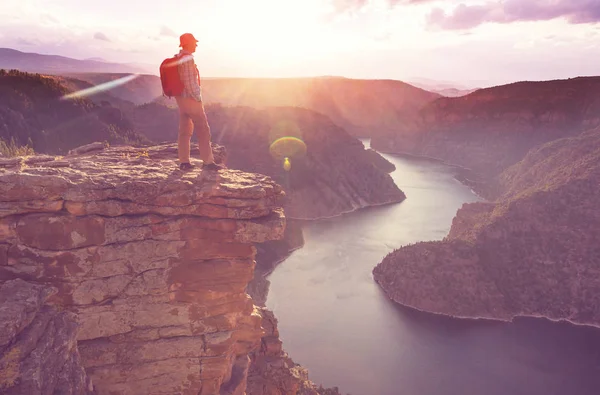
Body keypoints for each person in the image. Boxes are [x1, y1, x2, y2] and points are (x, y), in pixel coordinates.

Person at [174, 33, 223, 171]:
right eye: (194, 43)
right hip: (191, 99)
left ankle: (184, 162)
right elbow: (190, 82)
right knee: (203, 131)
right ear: (188, 44)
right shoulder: (188, 59)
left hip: (181, 99)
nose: (196, 45)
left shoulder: (178, 58)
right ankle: (208, 162)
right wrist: (198, 98)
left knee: (184, 131)